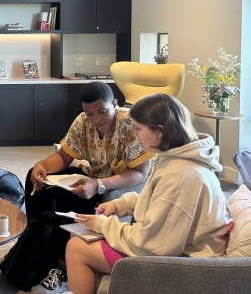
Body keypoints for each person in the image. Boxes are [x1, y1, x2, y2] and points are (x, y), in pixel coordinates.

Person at [65, 93, 231, 294]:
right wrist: (120, 204)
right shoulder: (178, 158)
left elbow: (151, 245)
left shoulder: (181, 176)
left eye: (138, 129)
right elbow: (161, 199)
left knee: (76, 249)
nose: (135, 135)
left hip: (189, 265)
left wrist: (102, 224)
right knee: (83, 240)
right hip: (179, 250)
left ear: (159, 131)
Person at [25, 81, 153, 294]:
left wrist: (99, 185)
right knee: (41, 186)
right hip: (94, 176)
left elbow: (140, 173)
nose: (96, 119)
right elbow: (64, 156)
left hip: (125, 183)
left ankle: (65, 268)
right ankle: (37, 247)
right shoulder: (82, 121)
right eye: (89, 114)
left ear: (114, 103)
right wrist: (42, 166)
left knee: (78, 205)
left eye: (102, 111)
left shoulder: (131, 125)